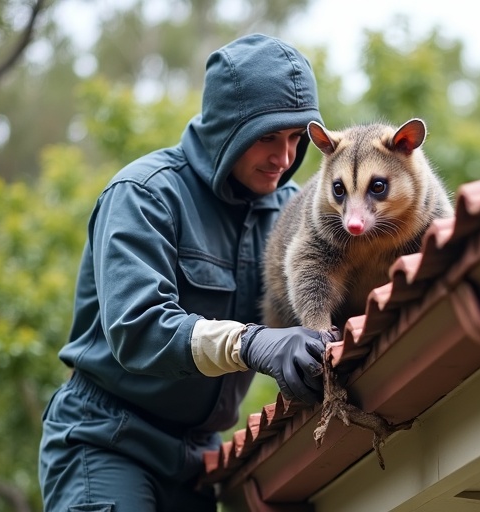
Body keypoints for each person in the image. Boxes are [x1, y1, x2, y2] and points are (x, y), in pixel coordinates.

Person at [38, 33, 331, 512]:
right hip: (108, 441)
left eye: (297, 139)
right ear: (227, 128)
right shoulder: (144, 194)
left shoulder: (292, 211)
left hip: (198, 462)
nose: (284, 158)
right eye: (268, 138)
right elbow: (138, 328)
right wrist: (251, 343)